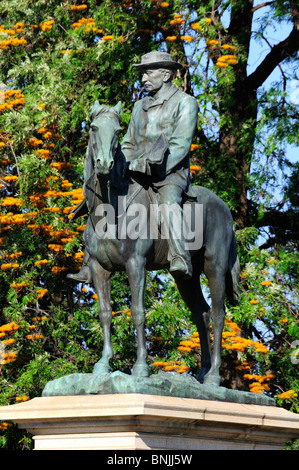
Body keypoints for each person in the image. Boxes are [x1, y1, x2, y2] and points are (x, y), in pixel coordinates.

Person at [67, 51, 198, 283]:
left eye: (148, 73)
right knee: (101, 195)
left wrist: (151, 166)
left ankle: (179, 255)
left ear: (166, 74)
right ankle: (89, 262)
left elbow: (180, 145)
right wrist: (124, 164)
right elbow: (128, 142)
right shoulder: (139, 106)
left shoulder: (185, 103)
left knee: (169, 203)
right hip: (135, 170)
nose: (144, 78)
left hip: (167, 174)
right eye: (142, 74)